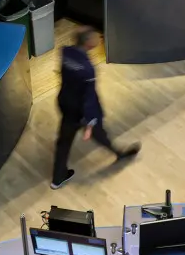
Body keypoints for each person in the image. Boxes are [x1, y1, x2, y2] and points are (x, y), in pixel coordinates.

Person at [52, 27, 140, 189]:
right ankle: (119, 153)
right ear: (88, 43)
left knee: (63, 142)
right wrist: (90, 122)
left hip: (65, 103)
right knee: (99, 134)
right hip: (80, 111)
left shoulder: (65, 53)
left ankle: (57, 178)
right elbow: (89, 98)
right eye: (95, 38)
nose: (98, 39)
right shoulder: (88, 69)